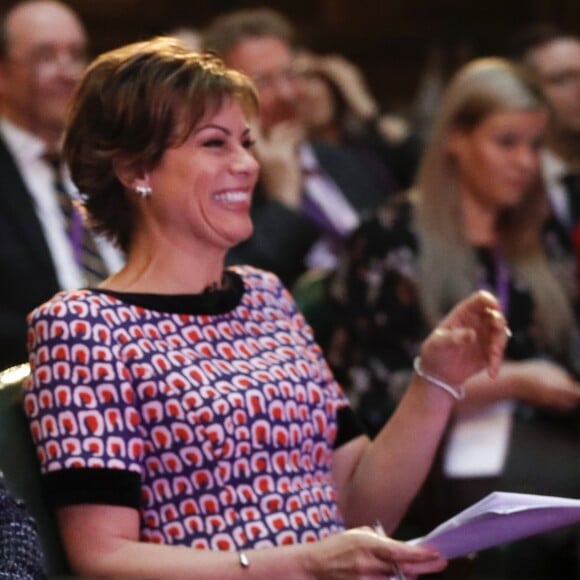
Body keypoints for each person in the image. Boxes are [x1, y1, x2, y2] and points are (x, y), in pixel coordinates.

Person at [22, 37, 509, 578]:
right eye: (214, 144)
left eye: (246, 142)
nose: (248, 165)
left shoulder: (265, 294)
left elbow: (360, 509)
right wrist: (306, 564)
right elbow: (103, 557)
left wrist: (434, 381)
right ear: (136, 169)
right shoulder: (84, 327)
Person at [326, 57, 580, 577]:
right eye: (506, 143)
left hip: (542, 436)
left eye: (535, 145)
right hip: (430, 453)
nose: (525, 163)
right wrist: (511, 383)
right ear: (455, 139)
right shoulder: (392, 235)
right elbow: (368, 392)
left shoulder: (538, 234)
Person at [203, 8, 391, 285]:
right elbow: (232, 287)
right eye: (263, 83)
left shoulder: (345, 161)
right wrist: (283, 202)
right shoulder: (214, 188)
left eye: (292, 75)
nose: (288, 94)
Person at [0, 0, 123, 370]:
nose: (68, 72)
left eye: (76, 55)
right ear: (3, 73)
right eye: (45, 56)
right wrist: (84, 341)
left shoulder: (115, 154)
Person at [295, 50, 421, 191]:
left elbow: (422, 163)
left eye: (312, 78)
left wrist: (367, 110)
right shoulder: (298, 165)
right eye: (295, 81)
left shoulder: (368, 151)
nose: (310, 93)